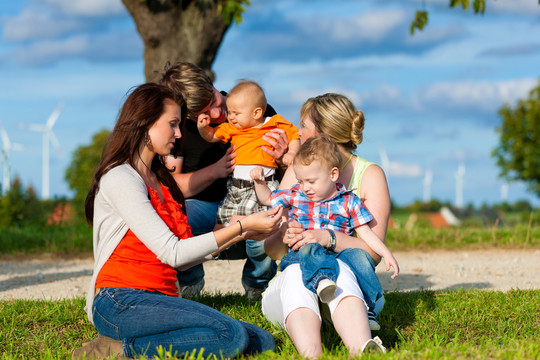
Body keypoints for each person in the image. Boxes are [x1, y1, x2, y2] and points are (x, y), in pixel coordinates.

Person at [73, 83, 284, 359]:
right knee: (231, 336)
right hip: (121, 300)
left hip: (161, 299)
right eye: (172, 124)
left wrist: (240, 235)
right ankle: (118, 349)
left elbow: (184, 259)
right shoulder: (121, 178)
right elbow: (172, 252)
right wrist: (241, 226)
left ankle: (144, 341)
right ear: (146, 123)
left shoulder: (161, 180)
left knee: (262, 340)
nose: (178, 133)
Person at [261, 93, 392, 358]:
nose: (298, 132)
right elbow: (272, 250)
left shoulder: (370, 175)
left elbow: (373, 254)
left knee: (339, 267)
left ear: (324, 134)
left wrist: (327, 237)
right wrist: (286, 234)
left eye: (304, 126)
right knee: (298, 273)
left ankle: (362, 346)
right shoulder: (300, 172)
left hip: (344, 287)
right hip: (293, 284)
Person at [159, 63, 290, 300]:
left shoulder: (252, 106)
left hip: (256, 201)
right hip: (209, 214)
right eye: (203, 113)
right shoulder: (178, 130)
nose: (217, 114)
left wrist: (283, 159)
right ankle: (190, 283)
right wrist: (216, 170)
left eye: (214, 100)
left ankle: (258, 286)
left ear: (212, 83)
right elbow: (171, 186)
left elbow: (288, 176)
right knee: (169, 212)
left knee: (272, 215)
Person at [251, 135, 398, 307]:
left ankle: (370, 302)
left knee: (359, 256)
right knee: (311, 247)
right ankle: (321, 281)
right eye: (300, 181)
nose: (305, 187)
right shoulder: (296, 195)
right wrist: (259, 183)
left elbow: (366, 233)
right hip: (303, 256)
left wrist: (386, 253)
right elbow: (267, 198)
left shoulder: (349, 200)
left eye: (311, 181)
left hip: (339, 256)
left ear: (333, 174)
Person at [197, 80, 300, 228]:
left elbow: (294, 136)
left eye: (236, 113)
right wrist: (203, 128)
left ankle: (252, 248)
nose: (231, 117)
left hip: (261, 185)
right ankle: (219, 250)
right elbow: (212, 136)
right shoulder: (232, 128)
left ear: (256, 113)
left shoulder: (274, 122)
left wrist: (292, 152)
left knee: (250, 223)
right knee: (221, 218)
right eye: (230, 112)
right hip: (235, 187)